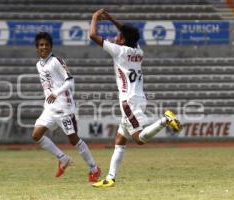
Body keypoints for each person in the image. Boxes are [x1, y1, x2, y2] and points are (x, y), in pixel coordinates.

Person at [89, 9, 182, 187]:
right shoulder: (138, 51)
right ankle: (110, 178)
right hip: (139, 97)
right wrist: (111, 19)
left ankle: (165, 120)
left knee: (139, 139)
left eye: (118, 35)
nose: (116, 37)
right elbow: (129, 34)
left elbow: (93, 34)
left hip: (129, 101)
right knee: (120, 139)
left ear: (122, 39)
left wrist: (95, 17)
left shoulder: (119, 51)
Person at [32, 32, 101, 182]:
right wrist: (49, 98)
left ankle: (94, 168)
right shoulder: (39, 64)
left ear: (51, 46)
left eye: (46, 45)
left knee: (73, 140)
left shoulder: (56, 61)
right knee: (36, 135)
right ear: (37, 48)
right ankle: (63, 158)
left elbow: (70, 81)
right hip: (50, 108)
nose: (43, 47)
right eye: (41, 45)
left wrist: (56, 93)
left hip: (64, 107)